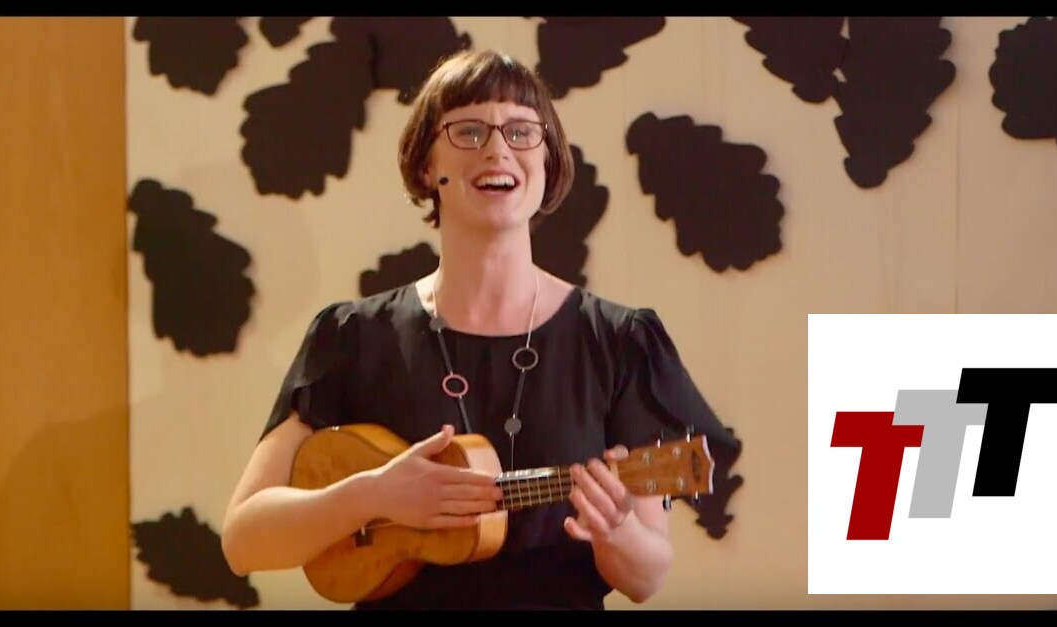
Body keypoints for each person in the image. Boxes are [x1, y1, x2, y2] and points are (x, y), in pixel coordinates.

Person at [221, 47, 739, 611]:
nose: (498, 149)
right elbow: (244, 540)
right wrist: (371, 496)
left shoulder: (619, 340)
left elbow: (646, 578)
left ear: (548, 163)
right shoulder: (351, 337)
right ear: (427, 165)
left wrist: (615, 530)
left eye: (521, 132)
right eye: (468, 131)